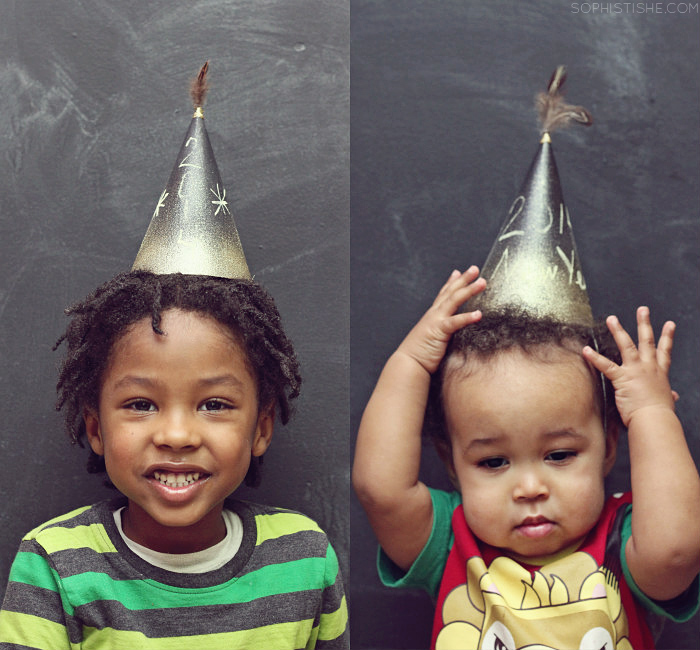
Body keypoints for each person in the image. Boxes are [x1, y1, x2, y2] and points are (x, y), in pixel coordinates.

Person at [353, 266, 700, 649]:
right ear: (452, 464)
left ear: (609, 447)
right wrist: (411, 362)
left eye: (560, 454)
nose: (530, 488)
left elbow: (676, 552)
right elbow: (380, 489)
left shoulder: (625, 541)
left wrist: (652, 414)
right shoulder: (451, 543)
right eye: (493, 462)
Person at [0, 271, 348, 649]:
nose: (177, 436)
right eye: (141, 404)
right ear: (96, 428)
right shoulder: (54, 564)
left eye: (214, 404)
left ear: (261, 429)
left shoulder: (304, 559)